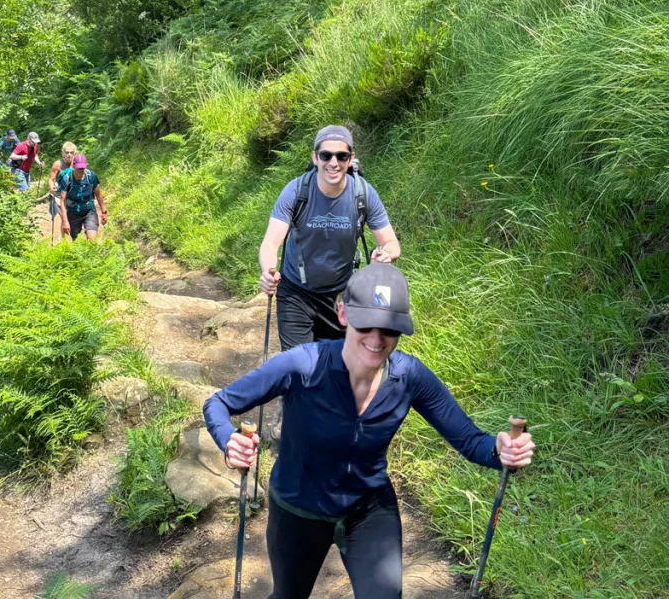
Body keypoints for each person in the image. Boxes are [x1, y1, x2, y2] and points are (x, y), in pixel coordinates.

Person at [203, 262, 535, 599]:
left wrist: (501, 451)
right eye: (367, 324)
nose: (377, 340)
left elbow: (471, 441)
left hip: (369, 507)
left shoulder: (409, 377)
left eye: (389, 329)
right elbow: (218, 404)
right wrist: (229, 443)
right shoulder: (303, 365)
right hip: (298, 506)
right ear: (344, 313)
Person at [259, 125, 401, 351]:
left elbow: (392, 244)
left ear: (350, 158)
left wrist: (386, 254)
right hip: (295, 293)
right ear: (315, 157)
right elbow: (270, 243)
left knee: (336, 367)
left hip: (340, 296)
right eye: (326, 155)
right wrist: (268, 271)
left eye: (341, 156)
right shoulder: (296, 191)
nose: (333, 163)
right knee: (298, 366)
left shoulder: (363, 194)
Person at [58, 153, 107, 241]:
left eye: (82, 168)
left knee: (91, 239)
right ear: (73, 166)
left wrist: (104, 212)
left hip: (89, 211)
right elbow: (62, 201)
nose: (81, 170)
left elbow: (98, 195)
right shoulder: (67, 179)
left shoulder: (91, 176)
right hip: (73, 212)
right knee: (76, 240)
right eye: (78, 168)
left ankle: (91, 254)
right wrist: (65, 221)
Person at [48, 142, 77, 223]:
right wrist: (52, 188)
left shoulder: (77, 163)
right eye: (67, 152)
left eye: (71, 152)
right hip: (59, 194)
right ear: (63, 153)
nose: (69, 154)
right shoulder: (57, 164)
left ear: (75, 153)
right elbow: (51, 179)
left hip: (73, 195)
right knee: (64, 218)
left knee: (72, 218)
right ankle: (65, 235)